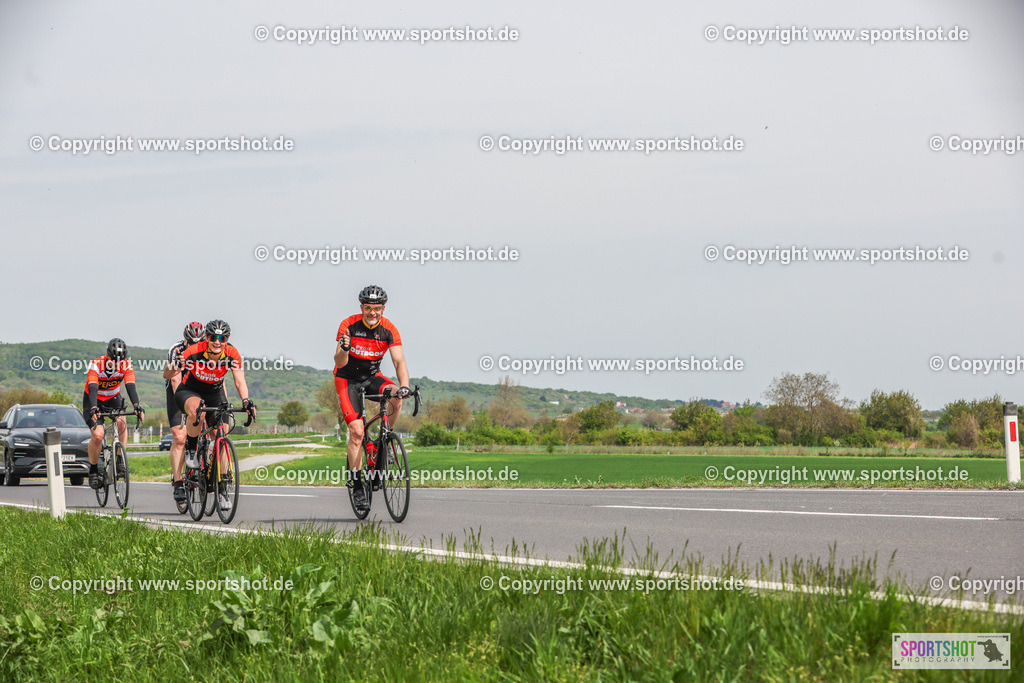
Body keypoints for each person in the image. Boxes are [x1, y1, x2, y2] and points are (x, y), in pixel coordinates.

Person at [164, 319, 255, 511]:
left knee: (221, 434)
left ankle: (222, 489)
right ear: (207, 338)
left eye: (222, 338)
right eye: (213, 337)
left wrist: (246, 401)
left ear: (227, 339)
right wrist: (176, 364)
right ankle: (191, 448)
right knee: (197, 410)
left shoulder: (232, 353)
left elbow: (239, 381)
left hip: (214, 392)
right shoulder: (194, 351)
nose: (218, 341)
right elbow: (167, 375)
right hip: (189, 390)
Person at [334, 285, 411, 510]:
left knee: (397, 396)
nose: (372, 312)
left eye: (376, 308)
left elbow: (399, 362)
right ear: (362, 308)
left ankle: (383, 441)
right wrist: (344, 349)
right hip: (347, 379)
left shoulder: (389, 330)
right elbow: (339, 362)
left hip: (372, 376)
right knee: (357, 432)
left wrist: (404, 386)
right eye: (368, 308)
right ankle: (357, 484)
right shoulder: (348, 325)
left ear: (383, 309)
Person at [83, 338, 145, 489]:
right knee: (98, 435)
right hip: (94, 399)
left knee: (121, 421)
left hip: (113, 398)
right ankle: (93, 470)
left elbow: (130, 386)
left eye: (120, 361)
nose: (116, 363)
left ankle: (119, 460)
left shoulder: (127, 365)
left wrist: (137, 405)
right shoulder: (96, 364)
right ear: (107, 355)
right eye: (113, 360)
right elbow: (92, 388)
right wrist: (93, 408)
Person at [165, 321, 205, 503]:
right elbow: (175, 379)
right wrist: (183, 407)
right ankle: (178, 481)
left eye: (198, 343)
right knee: (180, 437)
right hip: (178, 390)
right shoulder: (177, 350)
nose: (194, 347)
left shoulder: (208, 350)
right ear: (185, 341)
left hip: (201, 389)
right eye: (191, 343)